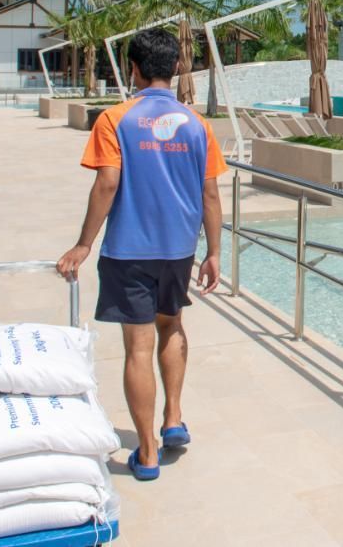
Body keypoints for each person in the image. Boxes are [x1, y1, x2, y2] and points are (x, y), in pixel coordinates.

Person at [57, 28, 225, 481]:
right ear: (176, 67)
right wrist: (213, 251)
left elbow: (107, 183)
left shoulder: (116, 119)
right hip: (178, 249)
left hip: (129, 249)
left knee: (137, 347)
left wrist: (84, 243)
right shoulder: (197, 124)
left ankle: (147, 452)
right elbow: (210, 193)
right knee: (172, 326)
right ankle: (173, 418)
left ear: (133, 68)